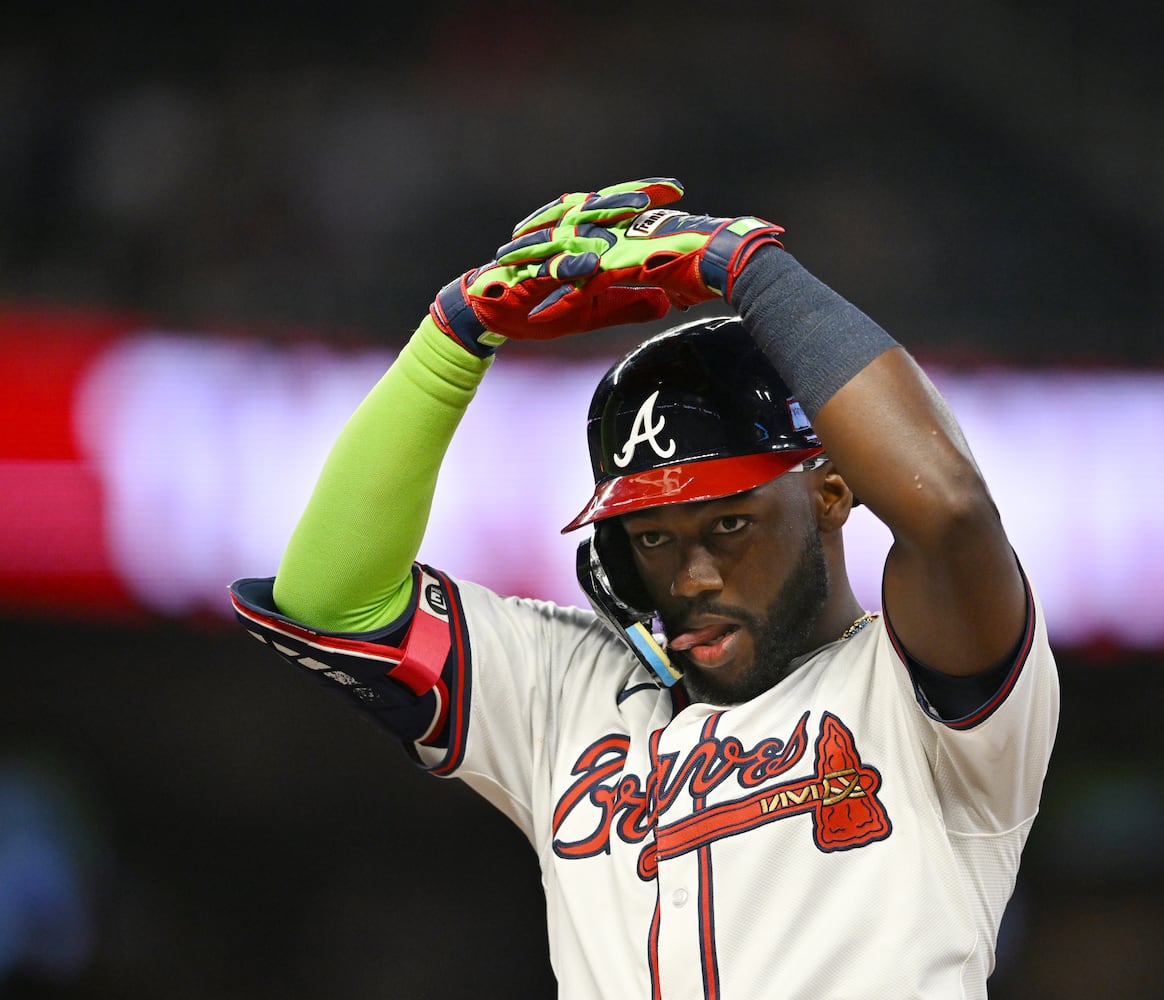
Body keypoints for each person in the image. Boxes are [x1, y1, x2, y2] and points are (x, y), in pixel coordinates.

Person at [230, 178, 1060, 999]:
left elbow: (948, 512)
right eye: (653, 537)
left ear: (832, 492)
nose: (691, 575)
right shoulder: (570, 693)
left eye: (728, 524)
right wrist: (451, 343)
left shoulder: (922, 686)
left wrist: (748, 267)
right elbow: (332, 601)